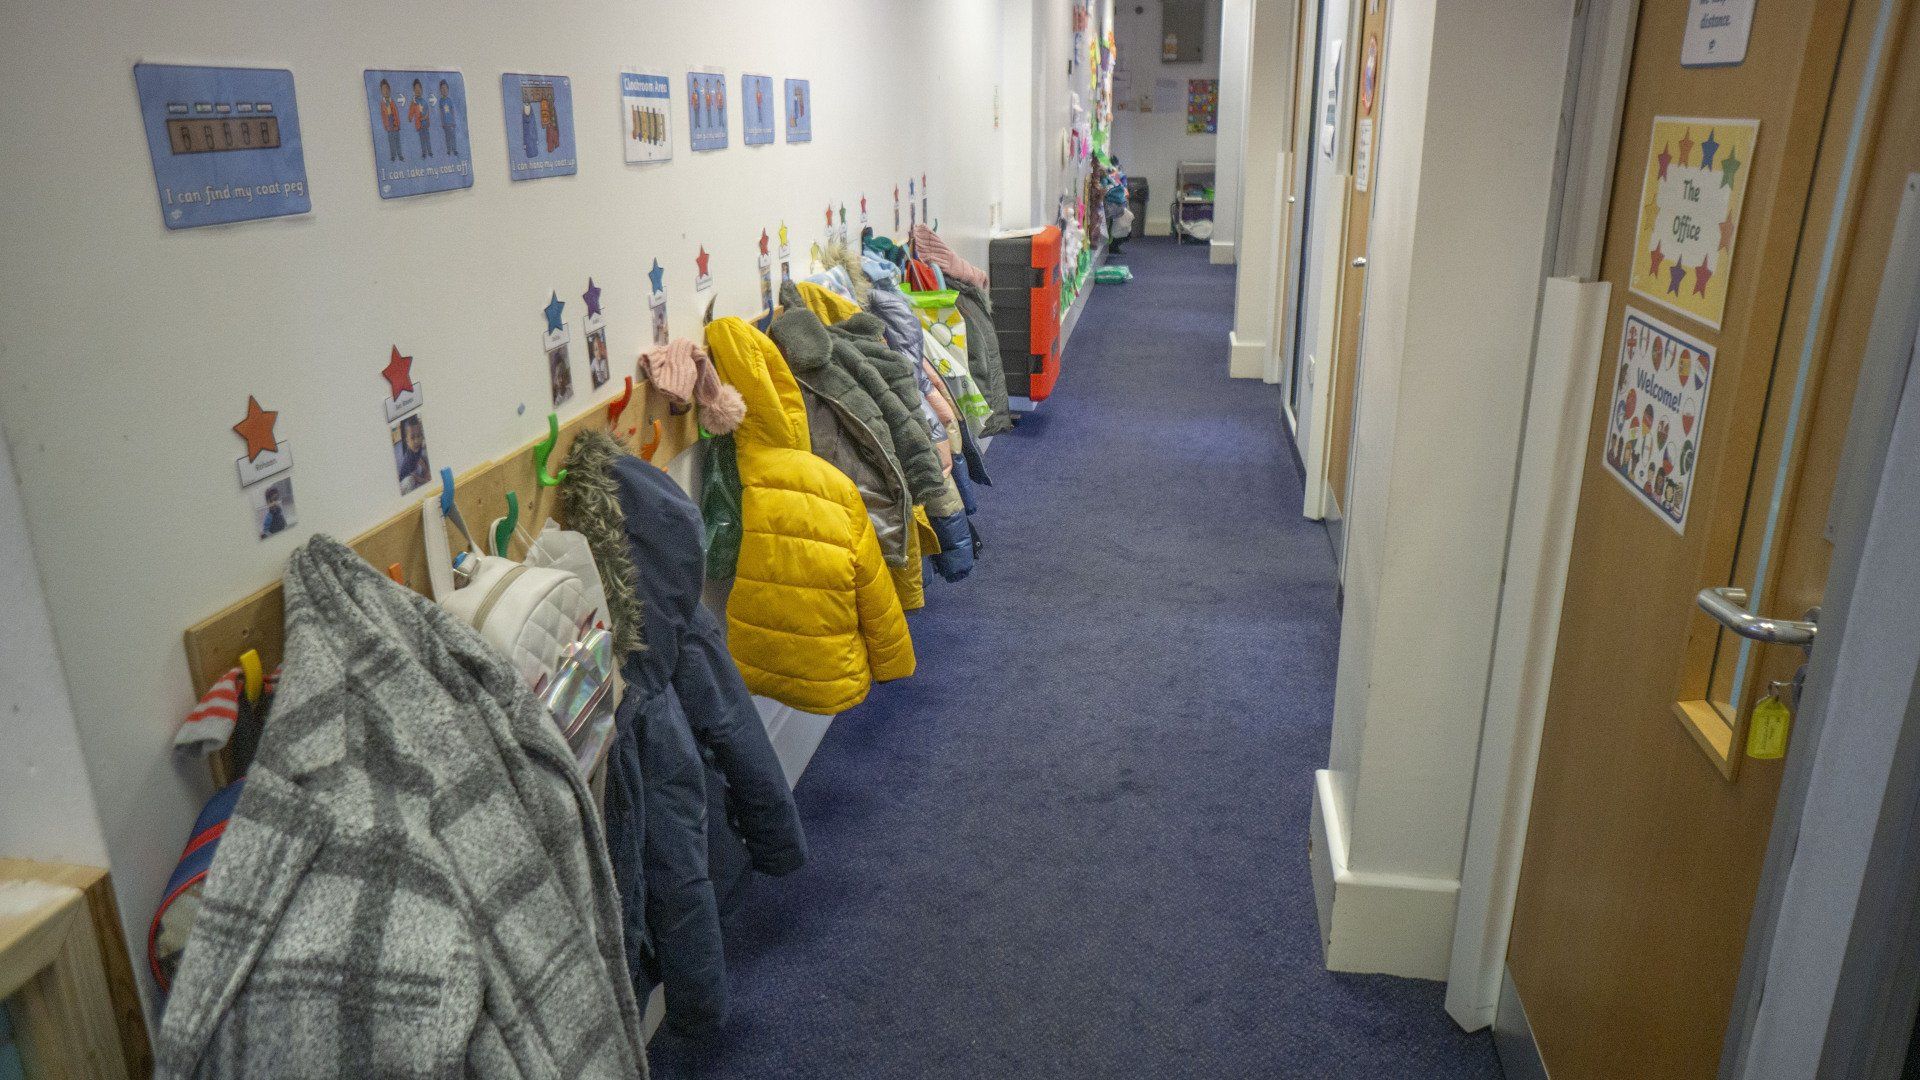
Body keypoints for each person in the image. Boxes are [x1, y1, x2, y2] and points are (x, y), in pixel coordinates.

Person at [393, 415, 430, 493]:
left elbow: (420, 459)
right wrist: (424, 479)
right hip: (405, 479)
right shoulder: (408, 460)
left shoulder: (418, 448)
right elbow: (415, 478)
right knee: (409, 481)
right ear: (407, 441)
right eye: (412, 438)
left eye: (419, 436)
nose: (417, 441)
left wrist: (424, 466)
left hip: (414, 469)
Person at [378, 79, 403, 162]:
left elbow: (396, 113)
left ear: (389, 90)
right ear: (381, 92)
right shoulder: (382, 104)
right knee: (391, 142)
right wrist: (386, 126)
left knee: (397, 141)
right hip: (389, 126)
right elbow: (383, 116)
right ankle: (393, 156)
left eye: (387, 89)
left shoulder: (392, 102)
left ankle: (400, 155)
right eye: (383, 90)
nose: (385, 91)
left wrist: (398, 124)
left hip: (395, 125)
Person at [409, 78, 432, 158]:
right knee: (422, 140)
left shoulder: (424, 101)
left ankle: (430, 151)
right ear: (414, 91)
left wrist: (425, 117)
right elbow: (411, 111)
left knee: (427, 138)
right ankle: (424, 153)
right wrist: (410, 117)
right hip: (419, 125)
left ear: (422, 90)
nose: (418, 90)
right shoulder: (414, 102)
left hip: (425, 124)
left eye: (419, 88)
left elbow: (427, 111)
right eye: (416, 89)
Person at [438, 78, 459, 156]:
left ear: (448, 89)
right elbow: (441, 113)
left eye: (445, 88)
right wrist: (442, 122)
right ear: (440, 90)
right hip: (446, 123)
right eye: (442, 89)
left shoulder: (449, 100)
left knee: (453, 136)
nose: (444, 90)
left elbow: (452, 111)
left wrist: (454, 121)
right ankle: (449, 149)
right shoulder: (440, 101)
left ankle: (455, 149)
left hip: (451, 123)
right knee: (447, 137)